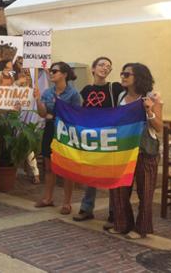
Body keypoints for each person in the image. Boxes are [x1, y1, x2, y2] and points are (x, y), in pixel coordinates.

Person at [109, 63, 163, 239]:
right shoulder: (121, 97)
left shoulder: (151, 98)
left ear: (138, 77)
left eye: (127, 74)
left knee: (145, 192)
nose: (123, 76)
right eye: (122, 73)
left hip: (145, 151)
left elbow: (159, 127)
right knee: (119, 189)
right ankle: (122, 223)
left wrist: (149, 111)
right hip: (124, 150)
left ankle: (141, 228)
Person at [73, 57, 123, 223]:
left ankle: (114, 212)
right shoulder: (86, 90)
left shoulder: (114, 88)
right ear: (93, 69)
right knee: (91, 175)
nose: (105, 68)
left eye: (108, 66)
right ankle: (86, 209)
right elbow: (79, 112)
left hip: (109, 137)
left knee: (111, 176)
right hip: (92, 138)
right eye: (101, 64)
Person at [34, 62, 81, 214]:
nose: (51, 73)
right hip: (50, 130)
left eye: (55, 71)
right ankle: (48, 198)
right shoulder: (48, 92)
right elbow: (43, 114)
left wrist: (53, 115)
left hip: (66, 133)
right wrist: (38, 100)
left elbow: (76, 115)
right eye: (51, 71)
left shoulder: (73, 94)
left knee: (67, 169)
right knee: (49, 167)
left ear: (65, 74)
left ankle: (67, 203)